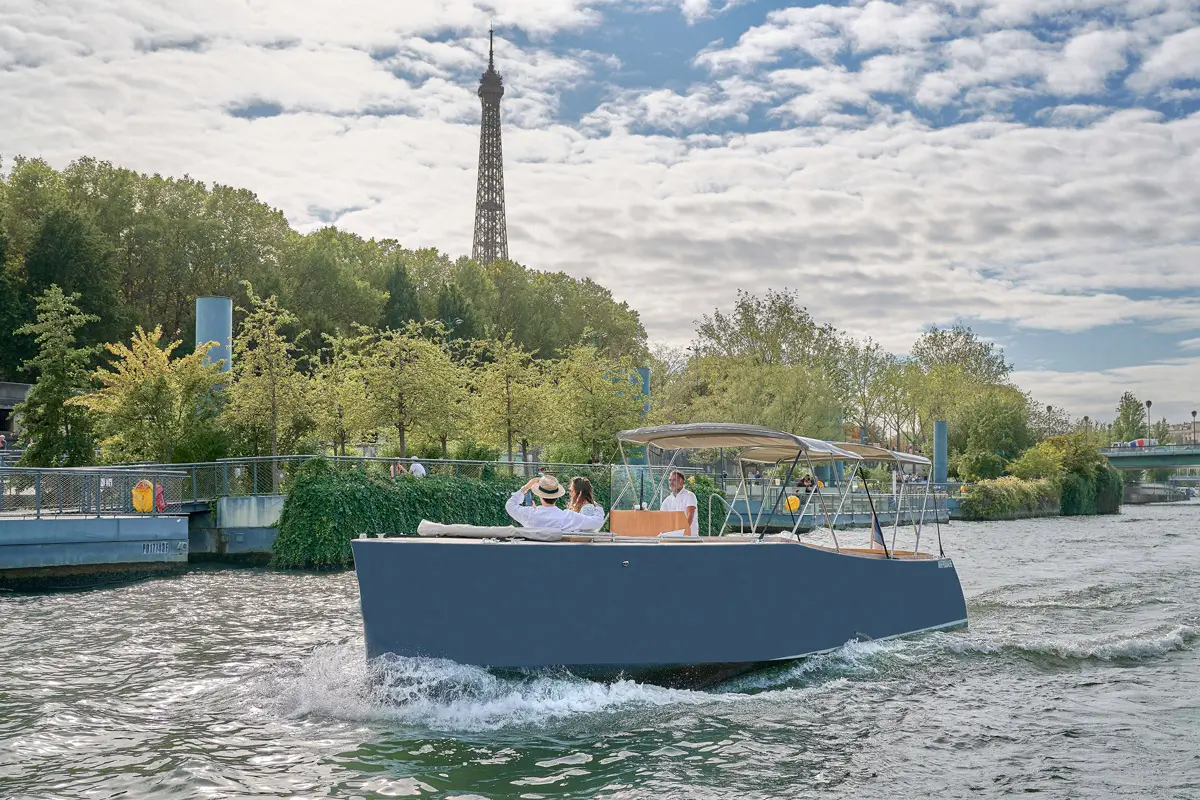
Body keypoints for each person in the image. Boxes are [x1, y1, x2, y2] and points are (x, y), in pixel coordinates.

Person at [505, 474, 604, 532]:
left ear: (540, 495)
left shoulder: (529, 514)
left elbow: (510, 505)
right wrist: (597, 507)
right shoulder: (568, 517)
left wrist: (527, 486)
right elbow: (597, 522)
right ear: (557, 496)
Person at [659, 469, 699, 536]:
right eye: (670, 480)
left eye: (674, 480)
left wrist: (681, 533)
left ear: (681, 482)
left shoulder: (690, 495)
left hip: (689, 538)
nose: (671, 482)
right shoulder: (667, 500)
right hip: (672, 538)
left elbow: (690, 515)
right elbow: (661, 518)